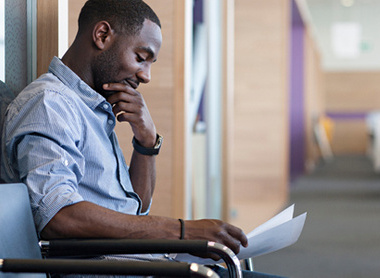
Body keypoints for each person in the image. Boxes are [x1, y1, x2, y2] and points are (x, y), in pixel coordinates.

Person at [1, 1, 284, 277]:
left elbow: (134, 209)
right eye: (140, 57)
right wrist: (182, 231)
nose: (145, 76)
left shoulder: (90, 107)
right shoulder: (51, 105)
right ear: (102, 36)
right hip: (114, 269)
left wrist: (147, 142)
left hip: (140, 261)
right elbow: (57, 216)